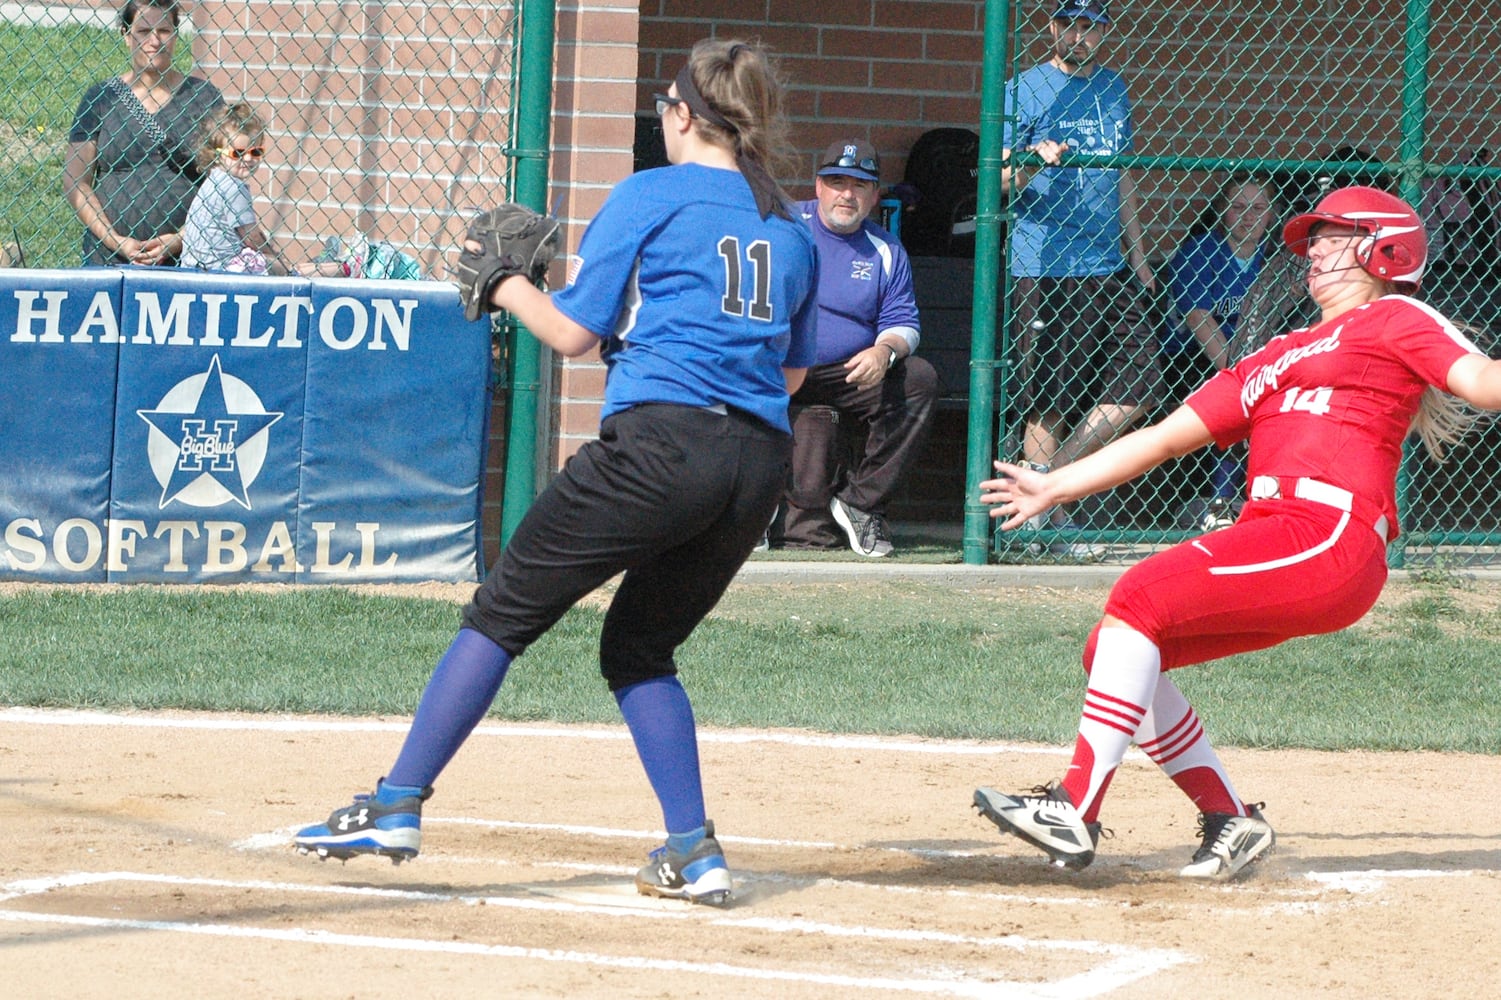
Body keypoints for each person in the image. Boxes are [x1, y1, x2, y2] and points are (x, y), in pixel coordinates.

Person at [293, 38, 818, 907]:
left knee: (500, 612)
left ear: (686, 115)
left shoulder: (650, 191)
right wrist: (649, 351)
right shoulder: (787, 221)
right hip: (755, 465)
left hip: (659, 449)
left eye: (665, 103)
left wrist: (501, 282)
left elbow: (571, 334)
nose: (660, 114)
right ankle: (693, 850)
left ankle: (395, 804)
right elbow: (787, 374)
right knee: (641, 647)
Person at [972, 185, 1501, 879]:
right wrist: (1055, 483)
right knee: (1116, 646)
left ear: (1385, 249)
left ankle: (1074, 808)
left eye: (1334, 236)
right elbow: (1163, 439)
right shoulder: (1275, 352)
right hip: (1274, 531)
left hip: (1328, 532)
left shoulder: (1395, 316)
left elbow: (1482, 382)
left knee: (1139, 595)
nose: (1314, 249)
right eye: (1315, 237)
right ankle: (1229, 818)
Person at [998, 0, 1161, 555]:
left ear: (1103, 32)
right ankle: (1038, 526)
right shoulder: (1024, 88)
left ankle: (1045, 488)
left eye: (1090, 25)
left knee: (1141, 383)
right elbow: (997, 179)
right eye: (1069, 23)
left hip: (1107, 261)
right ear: (1052, 27)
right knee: (1050, 396)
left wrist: (1138, 255)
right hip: (1044, 263)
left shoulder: (1114, 88)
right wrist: (1032, 160)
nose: (1078, 34)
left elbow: (1123, 176)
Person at [778, 139, 938, 557]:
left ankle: (861, 504)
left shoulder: (886, 249)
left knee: (918, 379)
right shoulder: (783, 225)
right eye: (836, 181)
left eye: (859, 185)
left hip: (848, 371)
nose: (846, 193)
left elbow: (904, 323)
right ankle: (746, 513)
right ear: (818, 186)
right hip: (777, 364)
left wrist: (883, 352)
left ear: (874, 196)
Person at [64, 0, 224, 266]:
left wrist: (182, 238)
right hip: (109, 258)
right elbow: (75, 181)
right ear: (126, 36)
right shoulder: (102, 98)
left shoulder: (204, 98)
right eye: (142, 31)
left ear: (175, 35)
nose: (154, 41)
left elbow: (222, 183)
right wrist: (116, 241)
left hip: (185, 259)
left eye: (164, 31)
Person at [1161, 174, 1277, 523]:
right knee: (1237, 398)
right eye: (1238, 207)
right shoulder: (1201, 250)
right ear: (1222, 211)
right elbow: (1200, 321)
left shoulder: (1277, 258)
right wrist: (1242, 376)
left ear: (1272, 213)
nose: (1248, 216)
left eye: (1258, 208)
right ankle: (1220, 501)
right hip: (1194, 357)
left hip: (1258, 359)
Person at [180, 103, 299, 275]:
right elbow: (251, 236)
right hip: (222, 267)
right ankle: (334, 269)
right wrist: (273, 256)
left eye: (256, 151)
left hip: (196, 266)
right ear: (216, 155)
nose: (249, 158)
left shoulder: (215, 179)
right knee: (284, 268)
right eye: (238, 153)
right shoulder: (234, 187)